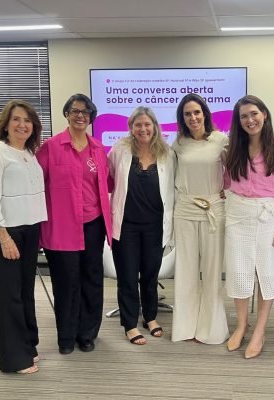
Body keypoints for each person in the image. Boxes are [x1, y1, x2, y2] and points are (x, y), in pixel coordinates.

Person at [37, 93, 112, 355]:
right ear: (67, 114)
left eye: (86, 112)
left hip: (93, 224)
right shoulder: (51, 147)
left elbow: (106, 184)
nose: (81, 115)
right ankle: (66, 337)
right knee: (66, 283)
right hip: (61, 226)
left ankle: (87, 334)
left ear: (91, 117)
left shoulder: (98, 148)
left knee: (92, 279)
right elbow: (36, 185)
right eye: (75, 111)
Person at [0, 100, 47, 374]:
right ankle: (14, 359)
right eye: (16, 119)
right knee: (10, 296)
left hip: (30, 230)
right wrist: (3, 236)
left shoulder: (29, 152)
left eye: (28, 120)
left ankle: (28, 346)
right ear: (6, 124)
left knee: (25, 292)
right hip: (6, 232)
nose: (22, 125)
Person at [224, 95, 274, 359]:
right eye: (243, 116)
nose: (250, 120)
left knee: (267, 273)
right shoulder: (233, 147)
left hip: (268, 217)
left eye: (254, 113)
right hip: (237, 216)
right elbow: (226, 182)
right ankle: (242, 325)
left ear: (264, 114)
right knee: (239, 272)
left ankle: (260, 331)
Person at [108, 106, 175, 345]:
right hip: (126, 226)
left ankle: (150, 317)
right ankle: (129, 324)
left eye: (147, 124)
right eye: (138, 125)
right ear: (131, 127)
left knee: (150, 275)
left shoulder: (167, 153)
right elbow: (108, 178)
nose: (143, 129)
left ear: (155, 127)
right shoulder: (119, 149)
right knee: (127, 276)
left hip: (155, 227)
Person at [171, 93, 229, 344]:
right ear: (182, 118)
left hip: (213, 210)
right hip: (185, 210)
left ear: (205, 113)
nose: (193, 117)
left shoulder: (221, 140)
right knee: (186, 271)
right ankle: (185, 328)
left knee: (212, 271)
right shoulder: (178, 144)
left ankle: (211, 329)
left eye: (197, 112)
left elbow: (235, 173)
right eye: (187, 114)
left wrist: (228, 192)